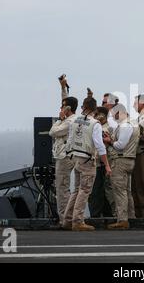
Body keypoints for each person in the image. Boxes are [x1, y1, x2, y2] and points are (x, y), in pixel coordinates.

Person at [62, 97, 112, 231]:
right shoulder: (94, 124)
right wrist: (106, 164)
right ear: (95, 109)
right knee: (84, 191)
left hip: (75, 157)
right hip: (87, 159)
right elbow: (99, 145)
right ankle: (77, 221)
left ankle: (67, 219)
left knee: (76, 190)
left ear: (83, 107)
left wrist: (70, 155)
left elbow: (70, 139)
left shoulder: (74, 120)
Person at [103, 104, 139, 230]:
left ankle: (122, 220)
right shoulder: (133, 123)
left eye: (114, 114)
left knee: (119, 191)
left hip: (120, 160)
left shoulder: (125, 125)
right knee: (126, 191)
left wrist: (109, 141)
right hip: (129, 160)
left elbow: (120, 145)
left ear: (120, 112)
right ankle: (131, 216)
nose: (113, 117)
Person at [48, 76, 78, 226]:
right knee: (64, 187)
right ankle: (67, 217)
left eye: (63, 107)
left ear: (67, 110)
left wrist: (59, 120)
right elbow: (66, 102)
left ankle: (64, 220)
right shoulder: (72, 118)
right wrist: (63, 88)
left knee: (62, 188)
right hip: (67, 155)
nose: (60, 109)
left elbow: (52, 132)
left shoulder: (68, 122)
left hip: (64, 157)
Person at [88, 106, 115, 217]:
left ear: (103, 115)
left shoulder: (105, 128)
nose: (95, 116)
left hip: (102, 163)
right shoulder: (100, 126)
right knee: (99, 191)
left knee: (98, 191)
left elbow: (100, 145)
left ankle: (97, 214)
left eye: (97, 114)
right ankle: (103, 213)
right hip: (100, 162)